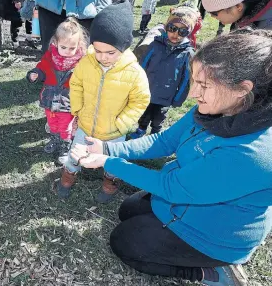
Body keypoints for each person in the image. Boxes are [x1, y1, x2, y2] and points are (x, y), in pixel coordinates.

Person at [70, 29, 272, 286]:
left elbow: (172, 187)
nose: (193, 93)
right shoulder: (213, 108)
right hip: (184, 198)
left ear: (243, 89)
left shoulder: (254, 152)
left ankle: (211, 272)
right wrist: (108, 149)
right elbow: (164, 141)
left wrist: (109, 163)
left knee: (124, 242)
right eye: (194, 81)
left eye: (204, 85)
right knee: (127, 210)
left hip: (214, 234)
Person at [57, 0, 150, 203]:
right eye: (97, 50)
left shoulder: (134, 73)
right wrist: (78, 108)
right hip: (86, 126)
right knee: (75, 154)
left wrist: (122, 123)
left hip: (114, 132)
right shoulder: (87, 63)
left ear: (124, 47)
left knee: (112, 161)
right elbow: (77, 84)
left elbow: (140, 100)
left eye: (110, 53)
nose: (103, 57)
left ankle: (110, 182)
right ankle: (68, 176)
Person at [27, 18, 89, 160]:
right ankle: (55, 139)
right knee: (52, 122)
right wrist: (35, 74)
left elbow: (87, 81)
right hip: (50, 97)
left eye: (72, 48)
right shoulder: (50, 56)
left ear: (78, 45)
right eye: (63, 47)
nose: (67, 52)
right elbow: (42, 67)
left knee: (65, 125)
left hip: (69, 101)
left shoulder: (82, 62)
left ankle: (65, 145)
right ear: (56, 43)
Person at [131, 7, 196, 139]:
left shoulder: (187, 53)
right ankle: (141, 128)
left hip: (166, 96)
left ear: (187, 33)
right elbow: (142, 67)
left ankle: (156, 134)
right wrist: (136, 86)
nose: (176, 34)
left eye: (182, 31)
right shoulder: (155, 45)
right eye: (172, 28)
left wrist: (178, 98)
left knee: (159, 117)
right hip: (147, 91)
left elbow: (186, 79)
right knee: (144, 113)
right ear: (167, 27)